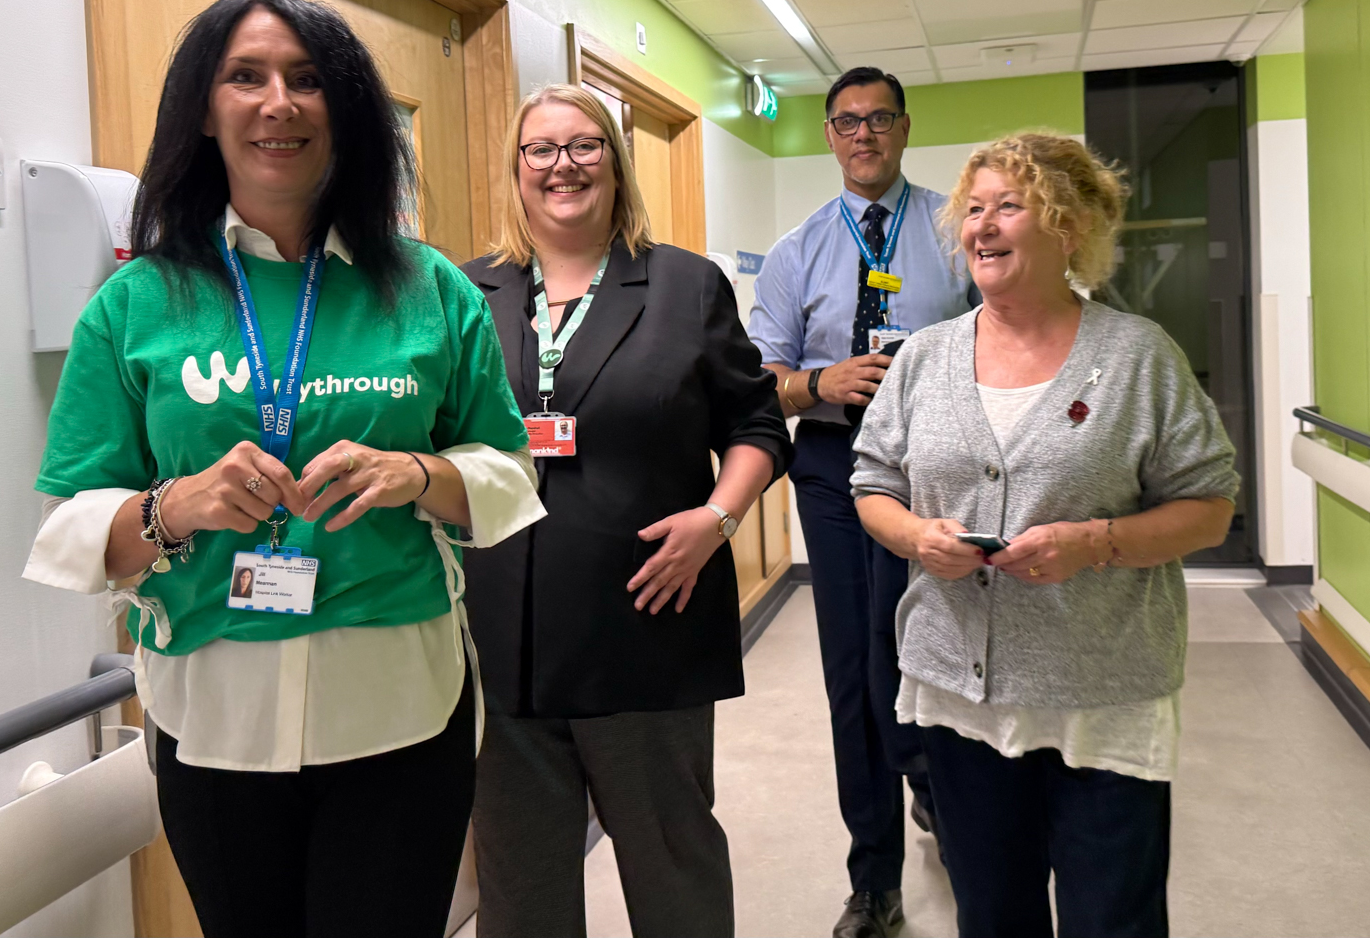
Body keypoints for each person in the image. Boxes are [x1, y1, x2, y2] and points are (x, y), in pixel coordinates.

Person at [22, 0, 544, 938]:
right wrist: (175, 506)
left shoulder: (427, 286)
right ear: (203, 109)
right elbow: (70, 522)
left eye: (308, 80)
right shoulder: (136, 303)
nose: (279, 103)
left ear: (343, 110)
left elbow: (511, 470)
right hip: (213, 711)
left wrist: (420, 475)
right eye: (246, 77)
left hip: (399, 702)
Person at [851, 132, 1238, 938]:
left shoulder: (1137, 357)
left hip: (1102, 694)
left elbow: (1209, 506)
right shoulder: (925, 358)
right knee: (993, 914)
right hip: (963, 697)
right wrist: (918, 538)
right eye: (973, 210)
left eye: (1009, 206)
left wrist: (1095, 542)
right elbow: (873, 485)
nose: (983, 226)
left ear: (1069, 227)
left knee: (1113, 918)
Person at [463, 84, 791, 938]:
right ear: (516, 168)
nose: (562, 166)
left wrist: (717, 520)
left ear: (614, 161)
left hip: (645, 621)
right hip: (501, 637)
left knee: (671, 870)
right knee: (518, 893)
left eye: (585, 145)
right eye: (541, 149)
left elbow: (756, 426)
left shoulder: (685, 285)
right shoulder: (468, 291)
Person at [746, 66, 967, 938]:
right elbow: (761, 381)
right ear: (829, 136)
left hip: (941, 467)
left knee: (934, 649)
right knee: (855, 671)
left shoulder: (956, 231)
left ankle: (941, 792)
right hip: (836, 466)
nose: (863, 134)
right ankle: (874, 879)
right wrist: (819, 382)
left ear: (904, 128)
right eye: (847, 121)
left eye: (879, 119)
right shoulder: (797, 252)